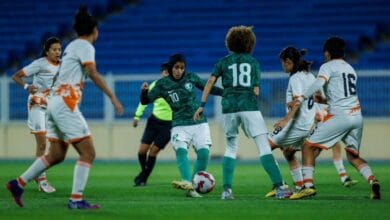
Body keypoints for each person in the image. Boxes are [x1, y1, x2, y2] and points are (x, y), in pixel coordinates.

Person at [6, 6, 124, 209]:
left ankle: (18, 184)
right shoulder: (85, 46)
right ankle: (76, 200)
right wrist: (112, 96)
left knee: (57, 155)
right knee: (88, 153)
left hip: (53, 104)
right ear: (94, 30)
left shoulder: (71, 46)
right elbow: (93, 73)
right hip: (65, 104)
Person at [193, 26, 291, 200]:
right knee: (263, 146)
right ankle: (279, 187)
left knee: (231, 148)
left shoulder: (223, 62)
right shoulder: (253, 63)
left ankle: (227, 191)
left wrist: (202, 104)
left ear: (230, 42)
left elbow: (210, 81)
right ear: (249, 43)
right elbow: (256, 91)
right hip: (249, 107)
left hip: (229, 108)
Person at [289, 36, 380, 200]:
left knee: (308, 146)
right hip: (357, 116)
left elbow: (318, 83)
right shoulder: (350, 68)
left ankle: (307, 186)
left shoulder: (328, 66)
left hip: (340, 116)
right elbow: (343, 94)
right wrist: (324, 101)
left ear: (328, 53)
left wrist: (302, 98)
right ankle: (372, 181)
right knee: (353, 156)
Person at [265, 47, 357, 198]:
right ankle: (301, 186)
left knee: (265, 146)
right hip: (308, 126)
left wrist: (285, 120)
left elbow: (297, 102)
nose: (282, 66)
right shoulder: (310, 76)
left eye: (282, 63)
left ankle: (280, 185)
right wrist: (318, 118)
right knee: (289, 153)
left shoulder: (295, 79)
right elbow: (318, 98)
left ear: (288, 62)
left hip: (295, 125)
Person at [140, 53, 223, 198]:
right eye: (176, 67)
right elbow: (145, 101)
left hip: (199, 121)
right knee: (181, 149)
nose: (179, 70)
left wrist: (225, 92)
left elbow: (208, 88)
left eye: (182, 67)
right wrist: (144, 92)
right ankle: (187, 182)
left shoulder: (191, 77)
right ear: (171, 68)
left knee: (204, 153)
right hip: (179, 124)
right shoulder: (162, 85)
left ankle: (192, 186)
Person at [11, 37, 62, 193]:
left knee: (54, 145)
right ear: (47, 51)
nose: (58, 52)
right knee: (41, 143)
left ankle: (35, 174)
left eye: (59, 49)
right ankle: (41, 180)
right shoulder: (40, 64)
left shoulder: (63, 66)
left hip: (50, 107)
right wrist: (27, 86)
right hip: (37, 105)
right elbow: (16, 76)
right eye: (54, 49)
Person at [133, 63, 172, 186]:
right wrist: (137, 116)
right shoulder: (155, 85)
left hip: (169, 125)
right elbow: (144, 101)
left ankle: (143, 178)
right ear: (162, 73)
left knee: (153, 152)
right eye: (165, 72)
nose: (166, 74)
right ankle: (144, 172)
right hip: (154, 121)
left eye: (168, 72)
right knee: (142, 151)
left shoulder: (176, 87)